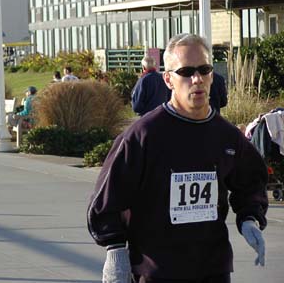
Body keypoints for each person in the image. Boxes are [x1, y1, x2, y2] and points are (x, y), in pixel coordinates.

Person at [87, 33, 268, 283]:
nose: (197, 79)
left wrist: (250, 217)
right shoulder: (142, 136)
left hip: (212, 269)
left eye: (205, 69)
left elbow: (250, 181)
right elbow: (108, 196)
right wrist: (115, 249)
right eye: (186, 71)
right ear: (168, 79)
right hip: (157, 271)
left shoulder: (227, 136)